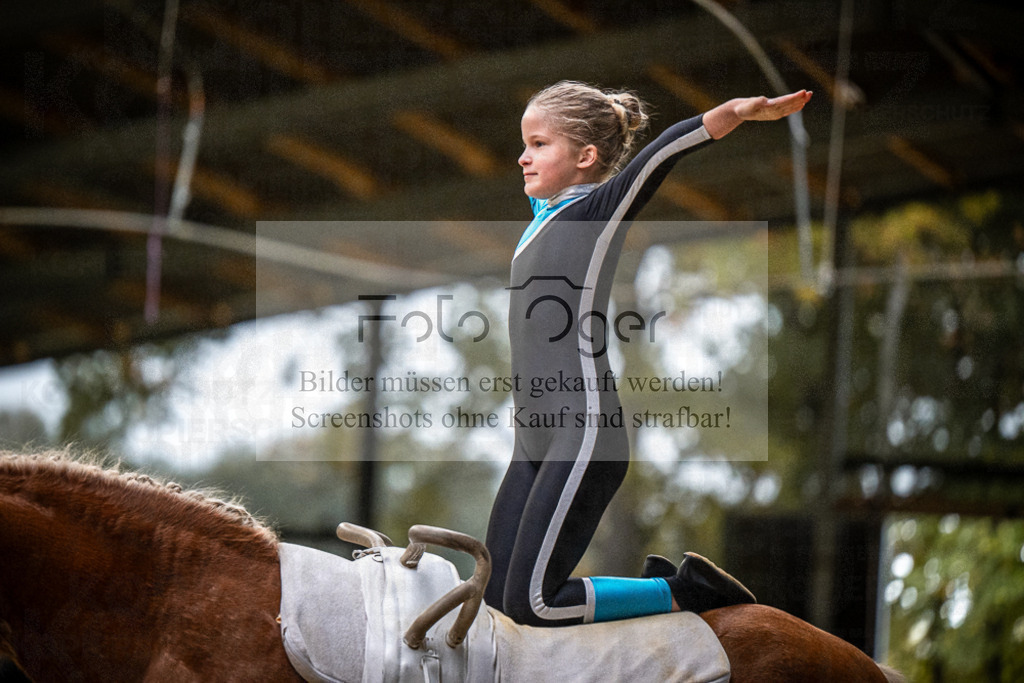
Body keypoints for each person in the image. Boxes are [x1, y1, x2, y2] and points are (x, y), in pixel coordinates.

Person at [484, 80, 812, 627]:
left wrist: (733, 110)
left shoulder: (595, 212)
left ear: (586, 157)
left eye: (540, 144)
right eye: (525, 142)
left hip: (584, 433)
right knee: (495, 603)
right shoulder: (540, 217)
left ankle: (683, 590)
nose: (523, 156)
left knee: (534, 604)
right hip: (531, 441)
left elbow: (661, 153)